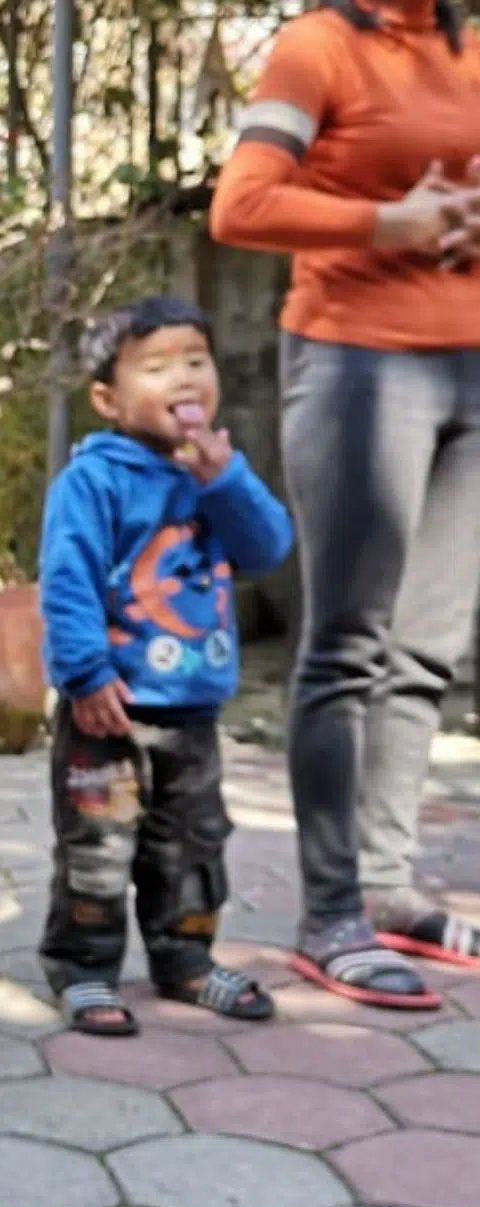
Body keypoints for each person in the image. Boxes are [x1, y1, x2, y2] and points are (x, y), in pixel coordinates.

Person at [210, 0, 480, 1006]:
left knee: (424, 652)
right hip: (359, 363)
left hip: (472, 367)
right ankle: (328, 914)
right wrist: (386, 221)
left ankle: (387, 885)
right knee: (345, 646)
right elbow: (238, 206)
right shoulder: (318, 45)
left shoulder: (467, 44)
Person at [36, 298, 295, 1035]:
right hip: (109, 708)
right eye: (156, 366)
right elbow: (67, 576)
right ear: (108, 398)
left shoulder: (213, 475)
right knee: (97, 843)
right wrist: (83, 673)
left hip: (193, 708)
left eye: (195, 359)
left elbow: (267, 548)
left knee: (193, 841)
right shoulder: (92, 481)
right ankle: (82, 967)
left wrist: (227, 477)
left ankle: (185, 958)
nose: (183, 377)